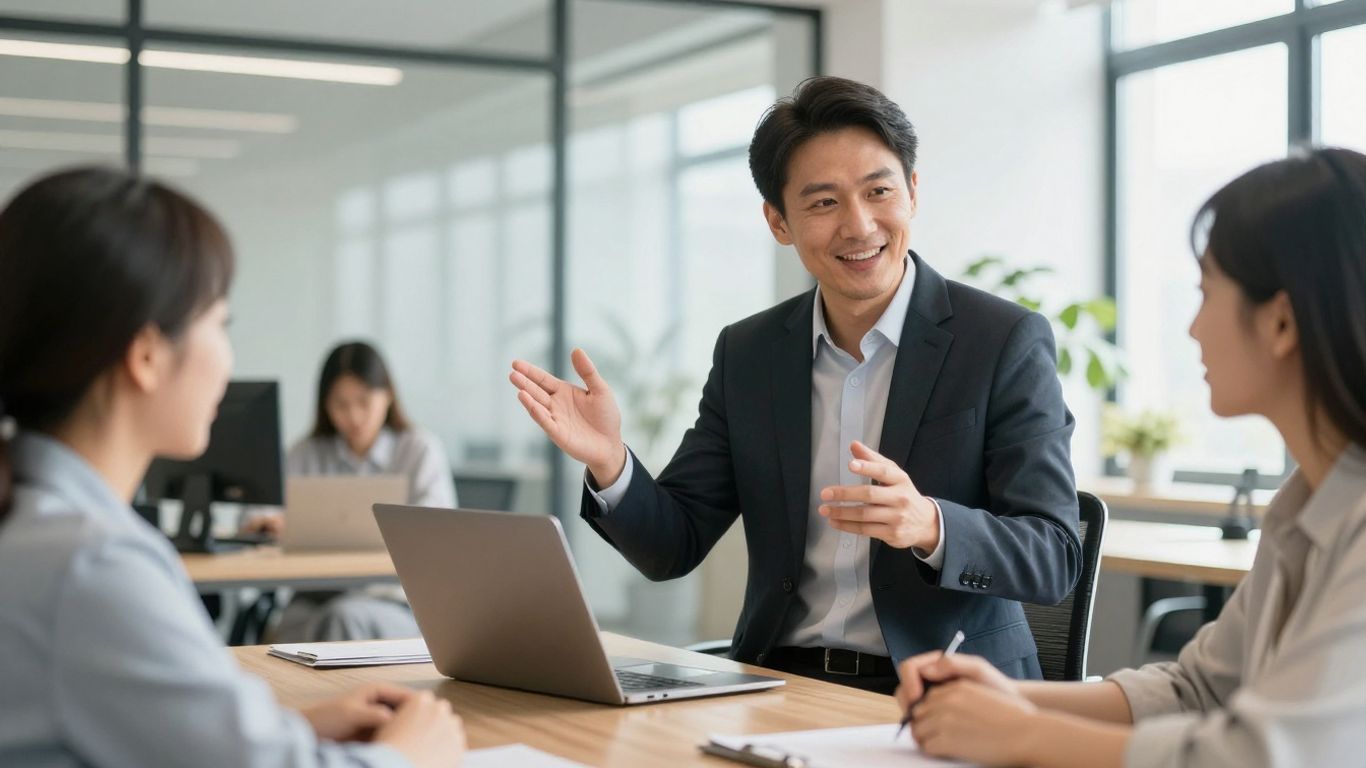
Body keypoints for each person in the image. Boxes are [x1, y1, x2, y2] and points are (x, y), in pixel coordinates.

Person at [509, 75, 1082, 694]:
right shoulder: (750, 353)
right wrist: (611, 462)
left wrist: (930, 525)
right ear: (778, 222)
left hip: (942, 691)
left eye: (878, 191)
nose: (859, 226)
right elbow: (671, 547)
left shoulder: (1001, 340)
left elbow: (1054, 556)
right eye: (824, 202)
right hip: (776, 685)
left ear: (912, 193)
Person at [894, 148, 1366, 767]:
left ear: (1280, 323)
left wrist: (1022, 734)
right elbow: (1196, 688)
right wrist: (1013, 697)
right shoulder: (1302, 505)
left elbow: (1262, 757)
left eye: (1206, 294)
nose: (1193, 329)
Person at [0, 166, 465, 767]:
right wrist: (410, 755)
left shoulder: (40, 528)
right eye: (220, 324)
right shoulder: (95, 567)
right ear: (145, 356)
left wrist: (289, 724)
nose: (227, 358)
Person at [252, 341, 457, 642]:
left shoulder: (418, 450)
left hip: (394, 601)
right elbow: (259, 513)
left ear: (387, 396)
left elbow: (436, 531)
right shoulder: (307, 452)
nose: (354, 416)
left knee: (343, 619)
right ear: (325, 405)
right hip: (314, 596)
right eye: (340, 404)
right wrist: (270, 524)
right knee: (286, 626)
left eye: (364, 401)